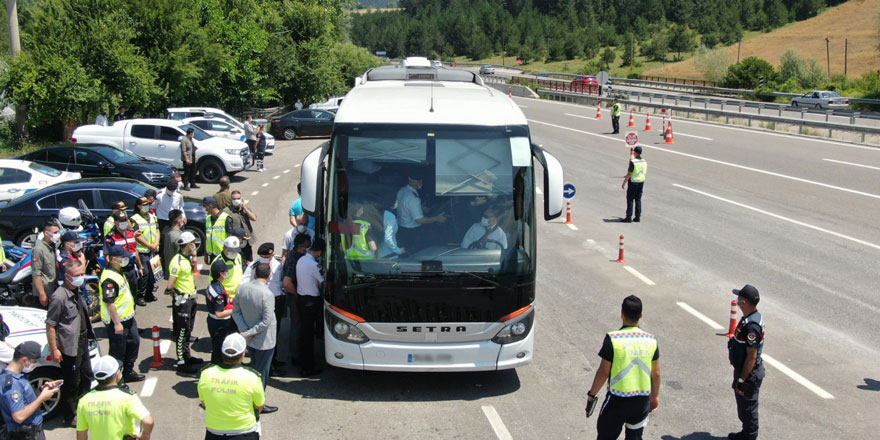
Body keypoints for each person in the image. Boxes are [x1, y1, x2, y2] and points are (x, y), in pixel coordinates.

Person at [585, 295, 660, 440]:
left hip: (617, 401)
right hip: (641, 402)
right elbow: (656, 373)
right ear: (641, 315)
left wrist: (592, 395)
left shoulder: (614, 339)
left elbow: (603, 372)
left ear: (622, 314)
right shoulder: (651, 340)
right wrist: (654, 396)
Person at [46, 259, 95, 427]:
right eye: (77, 275)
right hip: (69, 346)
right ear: (67, 276)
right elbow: (51, 325)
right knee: (72, 382)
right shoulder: (59, 297)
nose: (81, 278)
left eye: (82, 274)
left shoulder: (78, 290)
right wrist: (55, 349)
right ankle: (70, 415)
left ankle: (83, 407)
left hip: (82, 340)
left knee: (87, 376)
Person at [198, 334, 273, 440]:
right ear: (243, 354)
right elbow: (259, 406)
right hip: (244, 432)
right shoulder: (252, 377)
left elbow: (204, 402)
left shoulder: (206, 374)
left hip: (214, 432)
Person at [76, 355, 154, 440]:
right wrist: (145, 435)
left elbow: (81, 435)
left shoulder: (84, 400)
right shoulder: (127, 397)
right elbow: (148, 421)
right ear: (118, 375)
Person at [99, 245, 145, 383]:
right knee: (118, 352)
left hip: (128, 318)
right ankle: (114, 380)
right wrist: (117, 323)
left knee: (134, 343)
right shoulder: (109, 279)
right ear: (113, 259)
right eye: (123, 257)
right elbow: (109, 302)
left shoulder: (119, 271)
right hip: (118, 322)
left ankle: (128, 371)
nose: (126, 260)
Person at [0, 341, 61, 439]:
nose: (36, 364)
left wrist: (42, 390)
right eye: (34, 361)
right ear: (24, 360)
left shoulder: (19, 375)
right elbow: (19, 416)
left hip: (33, 431)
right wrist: (41, 398)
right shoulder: (12, 385)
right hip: (25, 434)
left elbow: (25, 399)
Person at [727, 284, 765, 440]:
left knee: (748, 408)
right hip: (743, 370)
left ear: (746, 302)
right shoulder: (749, 318)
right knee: (743, 407)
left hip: (749, 374)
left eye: (740, 298)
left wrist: (742, 380)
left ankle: (749, 436)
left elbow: (751, 356)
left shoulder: (751, 327)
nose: (738, 300)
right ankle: (745, 433)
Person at [232, 264, 277, 393]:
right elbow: (266, 321)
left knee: (253, 369)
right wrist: (250, 332)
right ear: (269, 276)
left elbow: (236, 312)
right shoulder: (267, 294)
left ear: (255, 274)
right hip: (264, 341)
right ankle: (258, 404)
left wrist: (245, 331)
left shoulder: (242, 288)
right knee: (261, 373)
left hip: (249, 339)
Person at [242, 243, 285, 375]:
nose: (266, 259)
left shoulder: (278, 263)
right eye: (264, 257)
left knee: (275, 331)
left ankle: (273, 358)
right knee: (264, 331)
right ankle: (266, 364)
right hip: (262, 301)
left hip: (277, 300)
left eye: (268, 256)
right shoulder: (254, 266)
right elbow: (244, 283)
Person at [166, 231, 204, 374]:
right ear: (188, 244)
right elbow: (170, 285)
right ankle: (181, 361)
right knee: (182, 332)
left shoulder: (186, 258)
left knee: (188, 329)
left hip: (191, 298)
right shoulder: (177, 261)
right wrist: (177, 295)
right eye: (193, 243)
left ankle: (187, 356)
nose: (195, 245)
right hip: (183, 301)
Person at [295, 238, 325, 377]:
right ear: (318, 251)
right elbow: (323, 282)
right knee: (308, 337)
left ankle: (303, 363)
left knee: (303, 334)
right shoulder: (314, 265)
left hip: (301, 299)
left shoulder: (301, 260)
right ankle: (308, 367)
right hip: (311, 302)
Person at [395, 174, 446, 252]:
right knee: (414, 253)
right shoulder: (413, 198)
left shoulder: (402, 190)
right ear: (417, 182)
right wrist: (437, 218)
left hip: (401, 228)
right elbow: (419, 220)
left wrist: (419, 209)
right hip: (411, 232)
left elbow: (404, 207)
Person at [104, 212, 145, 307]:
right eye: (120, 221)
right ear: (115, 222)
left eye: (125, 220)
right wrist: (114, 271)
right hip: (120, 270)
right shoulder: (110, 237)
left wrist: (140, 266)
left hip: (131, 268)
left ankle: (132, 310)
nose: (124, 223)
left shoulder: (130, 233)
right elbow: (107, 256)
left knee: (133, 292)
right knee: (122, 294)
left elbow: (135, 251)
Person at [282, 234, 310, 367]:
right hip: (295, 297)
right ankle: (296, 356)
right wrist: (297, 294)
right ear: (301, 246)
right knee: (297, 326)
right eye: (306, 246)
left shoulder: (294, 255)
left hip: (295, 295)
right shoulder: (295, 259)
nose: (308, 249)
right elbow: (287, 282)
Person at [206, 259, 236, 365]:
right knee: (219, 350)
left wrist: (232, 300)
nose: (227, 273)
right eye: (225, 271)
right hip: (220, 325)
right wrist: (235, 310)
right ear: (221, 273)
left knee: (217, 347)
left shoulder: (214, 284)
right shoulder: (218, 292)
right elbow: (219, 313)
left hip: (213, 322)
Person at [132, 196, 160, 303]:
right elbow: (137, 236)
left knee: (154, 273)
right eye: (144, 205)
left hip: (153, 249)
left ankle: (149, 293)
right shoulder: (134, 219)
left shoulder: (153, 216)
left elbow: (157, 231)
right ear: (139, 206)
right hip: (142, 250)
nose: (146, 207)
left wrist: (156, 244)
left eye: (147, 204)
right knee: (145, 273)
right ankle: (140, 295)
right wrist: (149, 245)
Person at [31, 221, 60, 308]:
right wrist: (42, 294)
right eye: (55, 232)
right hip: (45, 293)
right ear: (47, 233)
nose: (57, 235)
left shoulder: (53, 247)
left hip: (53, 291)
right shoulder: (39, 250)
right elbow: (36, 274)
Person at [224, 191, 257, 265]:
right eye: (234, 199)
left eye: (238, 198)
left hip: (246, 239)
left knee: (249, 260)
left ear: (241, 199)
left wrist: (244, 208)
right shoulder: (226, 211)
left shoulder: (245, 209)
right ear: (231, 199)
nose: (236, 200)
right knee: (236, 260)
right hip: (235, 240)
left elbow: (254, 218)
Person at [204, 196, 233, 265]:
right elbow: (207, 237)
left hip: (223, 254)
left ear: (210, 205)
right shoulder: (208, 218)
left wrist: (228, 253)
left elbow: (230, 236)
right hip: (211, 254)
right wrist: (205, 253)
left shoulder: (226, 218)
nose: (205, 208)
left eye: (205, 206)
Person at [621, 146, 646, 223]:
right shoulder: (644, 161)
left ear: (635, 152)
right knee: (638, 199)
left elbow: (630, 173)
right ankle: (637, 217)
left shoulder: (633, 161)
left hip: (633, 183)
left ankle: (628, 217)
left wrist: (624, 182)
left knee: (630, 199)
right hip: (641, 182)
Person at [161, 209, 184, 279]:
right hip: (178, 272)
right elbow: (182, 255)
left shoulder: (167, 233)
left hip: (170, 269)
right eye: (182, 218)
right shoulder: (179, 236)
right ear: (179, 221)